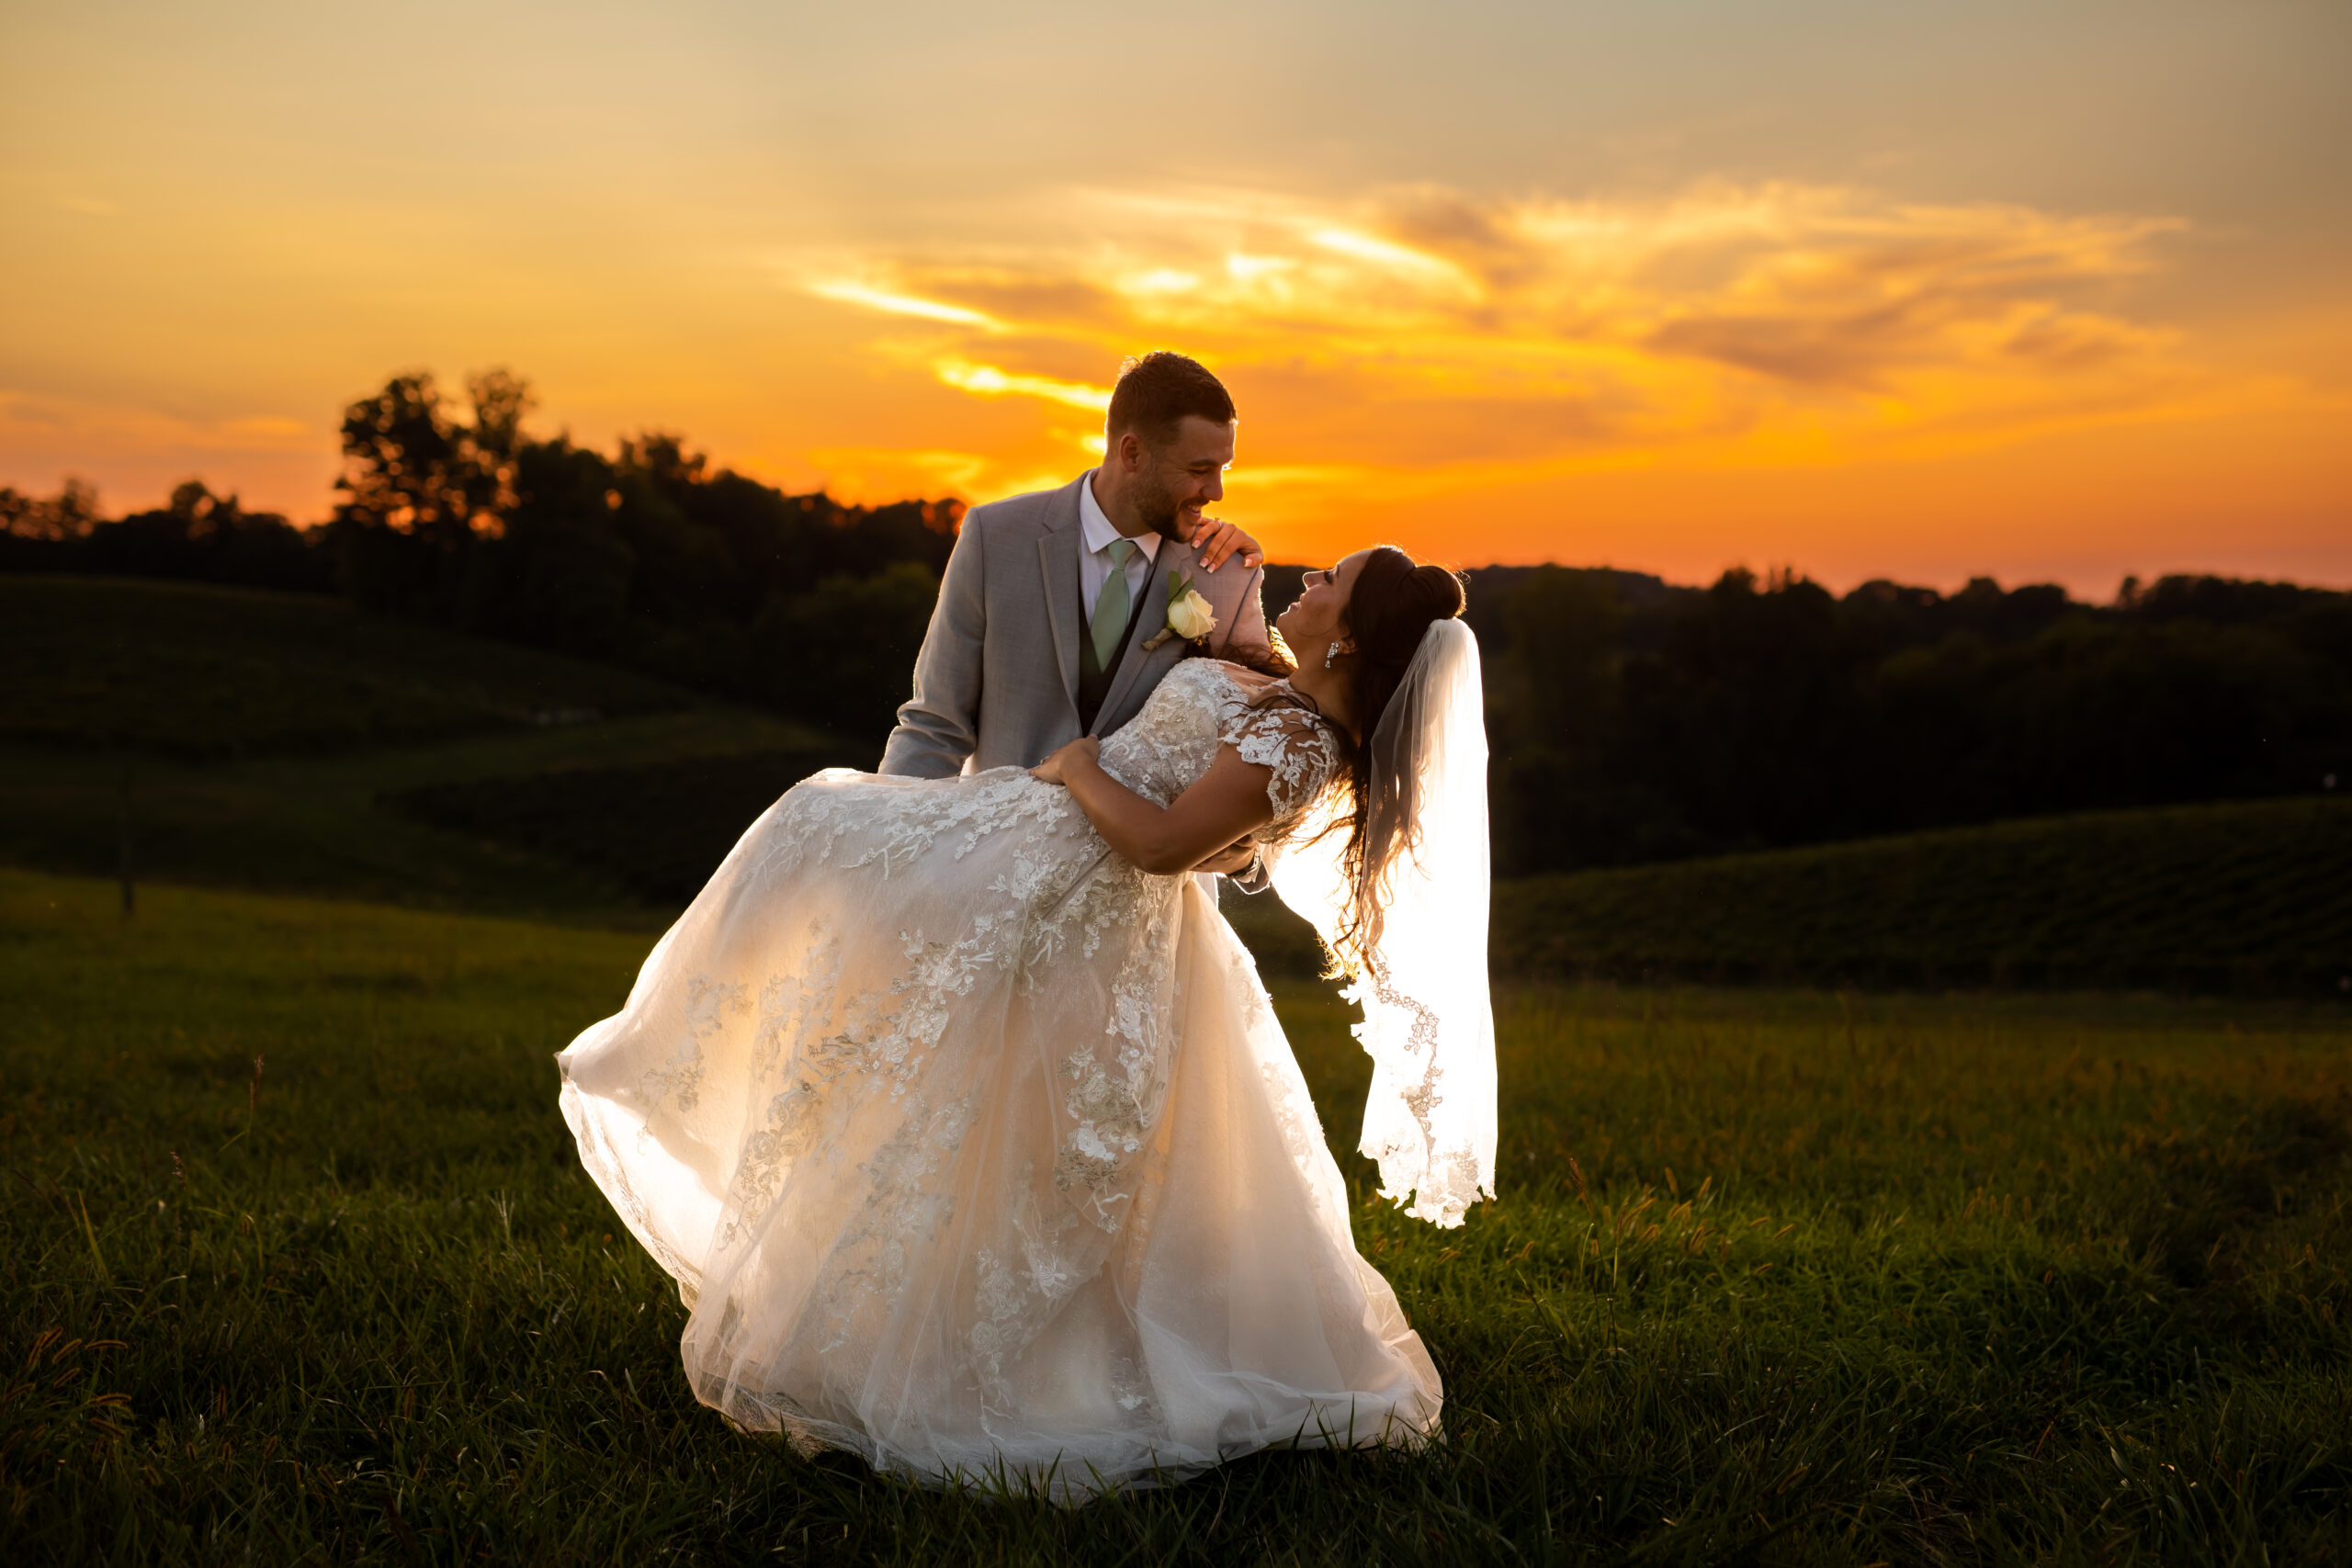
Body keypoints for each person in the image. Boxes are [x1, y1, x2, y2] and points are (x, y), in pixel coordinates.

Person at [558, 539, 1496, 1501]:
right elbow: (1218, 840)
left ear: (1350, 638)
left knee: (974, 1080)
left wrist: (1083, 768)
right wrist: (1215, 586)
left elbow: (1168, 845)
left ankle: (980, 1343)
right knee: (824, 849)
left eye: (1330, 583)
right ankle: (681, 1074)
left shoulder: (1301, 743)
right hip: (1026, 844)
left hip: (1069, 884)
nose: (1311, 581)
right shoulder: (1282, 699)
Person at [879, 351, 1288, 886]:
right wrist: (883, 856)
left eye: (1222, 468)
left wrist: (1247, 860)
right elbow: (936, 727)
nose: (1216, 492)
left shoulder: (1228, 575)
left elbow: (1257, 756)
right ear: (1133, 453)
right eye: (1199, 469)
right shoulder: (994, 538)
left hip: (1148, 921)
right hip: (991, 888)